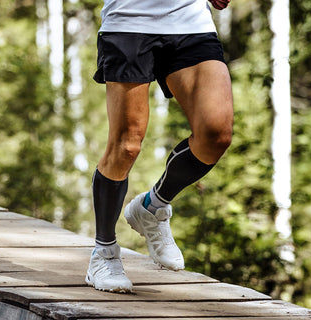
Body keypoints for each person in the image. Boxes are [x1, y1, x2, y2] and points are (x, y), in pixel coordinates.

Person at [85, 0, 234, 293]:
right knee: (126, 145)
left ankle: (152, 206)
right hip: (130, 22)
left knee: (215, 134)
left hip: (191, 23)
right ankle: (103, 252)